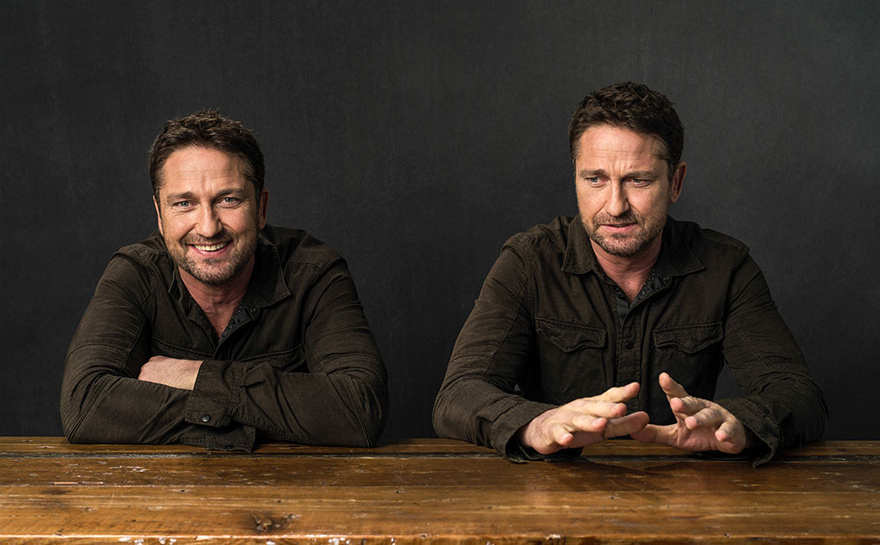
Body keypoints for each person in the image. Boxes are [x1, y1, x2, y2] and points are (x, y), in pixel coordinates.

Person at [432, 82, 827, 464]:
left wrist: (740, 427)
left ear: (675, 182)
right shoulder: (529, 262)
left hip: (687, 493)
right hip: (552, 493)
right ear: (576, 177)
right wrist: (535, 425)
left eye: (638, 180)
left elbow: (799, 394)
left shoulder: (726, 268)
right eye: (595, 179)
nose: (615, 206)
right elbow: (457, 394)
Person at [61, 111, 387, 450]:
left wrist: (193, 376)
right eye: (184, 203)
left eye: (228, 200)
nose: (208, 227)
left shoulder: (313, 273)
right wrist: (259, 416)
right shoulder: (136, 273)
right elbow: (85, 407)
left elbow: (359, 410)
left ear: (260, 208)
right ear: (160, 215)